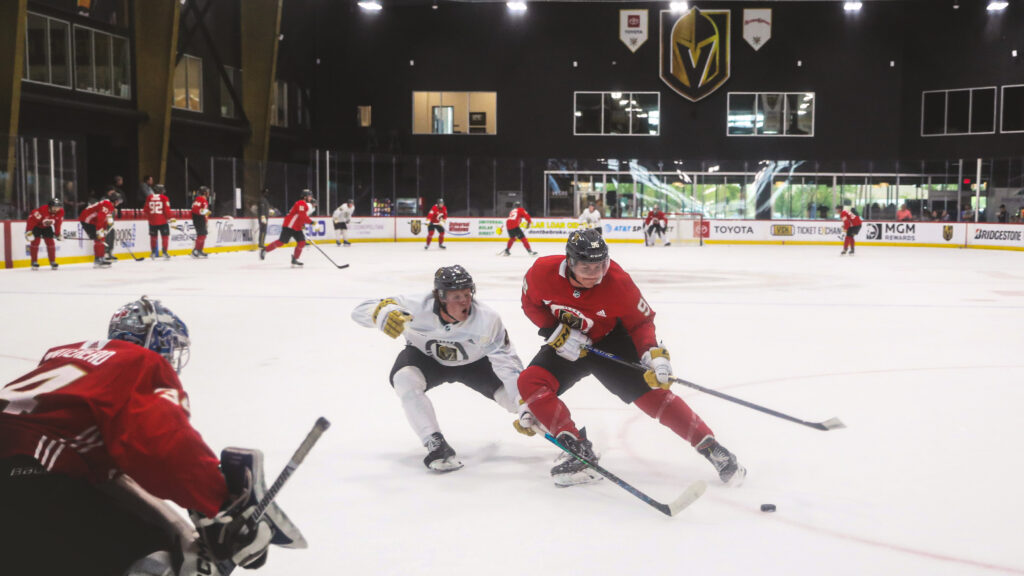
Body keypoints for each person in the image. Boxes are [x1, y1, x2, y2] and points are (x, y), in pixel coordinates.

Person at [0, 296, 305, 575]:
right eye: (171, 346)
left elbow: (107, 480)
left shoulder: (70, 361)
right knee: (157, 560)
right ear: (155, 339)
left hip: (24, 479)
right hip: (29, 485)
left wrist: (182, 530)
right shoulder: (140, 363)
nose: (171, 356)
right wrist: (221, 506)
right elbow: (163, 447)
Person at [516, 229, 745, 487]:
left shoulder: (617, 281)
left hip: (611, 342)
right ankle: (578, 450)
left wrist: (652, 354)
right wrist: (554, 331)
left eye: (599, 265)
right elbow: (530, 304)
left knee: (653, 395)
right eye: (585, 267)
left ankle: (711, 447)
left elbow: (641, 322)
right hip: (570, 343)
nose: (595, 273)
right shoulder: (541, 273)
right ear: (569, 262)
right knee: (530, 382)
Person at [351, 265, 525, 472]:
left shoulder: (488, 319)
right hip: (426, 359)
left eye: (468, 294)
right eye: (457, 296)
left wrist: (524, 403)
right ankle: (434, 442)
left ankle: (561, 431)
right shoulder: (415, 306)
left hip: (476, 364)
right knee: (404, 379)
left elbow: (507, 364)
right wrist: (383, 315)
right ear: (440, 297)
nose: (465, 301)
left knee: (518, 403)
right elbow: (359, 311)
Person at [261, 189, 314, 267]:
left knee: (301, 242)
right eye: (309, 196)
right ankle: (265, 250)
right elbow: (302, 216)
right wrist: (312, 222)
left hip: (296, 227)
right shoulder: (301, 203)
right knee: (281, 242)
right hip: (289, 226)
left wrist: (302, 225)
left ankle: (294, 259)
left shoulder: (303, 204)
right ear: (305, 197)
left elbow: (299, 217)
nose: (311, 198)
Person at [79, 187, 121, 268]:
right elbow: (100, 219)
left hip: (93, 220)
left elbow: (105, 220)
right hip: (87, 219)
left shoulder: (110, 205)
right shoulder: (107, 204)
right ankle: (98, 259)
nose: (119, 202)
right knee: (99, 239)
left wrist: (105, 229)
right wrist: (99, 231)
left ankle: (101, 257)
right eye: (118, 200)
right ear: (115, 201)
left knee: (101, 238)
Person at [25, 197, 64, 270]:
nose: (56, 209)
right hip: (36, 226)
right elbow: (31, 220)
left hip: (46, 227)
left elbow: (58, 223)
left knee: (51, 243)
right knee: (35, 242)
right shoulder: (42, 210)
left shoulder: (60, 212)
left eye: (58, 207)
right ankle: (34, 262)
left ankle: (52, 261)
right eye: (54, 207)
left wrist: (57, 233)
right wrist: (28, 232)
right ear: (50, 207)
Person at [143, 184, 172, 260]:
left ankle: (153, 253)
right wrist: (169, 218)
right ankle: (165, 252)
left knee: (153, 237)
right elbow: (166, 210)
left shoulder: (149, 197)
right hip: (163, 221)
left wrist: (150, 217)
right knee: (165, 237)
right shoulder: (164, 198)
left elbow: (145, 210)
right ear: (161, 191)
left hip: (152, 222)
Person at [191, 186, 212, 258]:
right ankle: (196, 250)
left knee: (203, 235)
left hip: (199, 219)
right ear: (205, 193)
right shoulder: (201, 200)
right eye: (207, 192)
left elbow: (197, 210)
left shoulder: (199, 199)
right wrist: (206, 212)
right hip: (199, 219)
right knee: (202, 235)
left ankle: (199, 250)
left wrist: (205, 219)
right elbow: (197, 210)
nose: (209, 193)